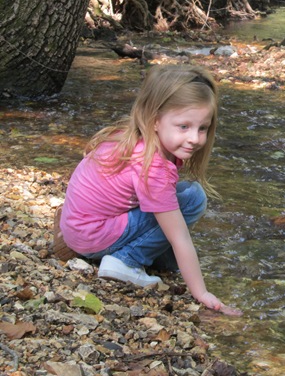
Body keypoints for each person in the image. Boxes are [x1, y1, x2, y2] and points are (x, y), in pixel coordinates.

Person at [60, 64, 241, 316]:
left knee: (173, 253)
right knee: (193, 197)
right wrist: (201, 293)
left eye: (203, 128)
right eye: (184, 126)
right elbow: (179, 237)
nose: (195, 138)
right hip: (93, 236)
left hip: (78, 228)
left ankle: (153, 262)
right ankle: (125, 262)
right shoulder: (153, 167)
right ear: (155, 120)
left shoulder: (131, 138)